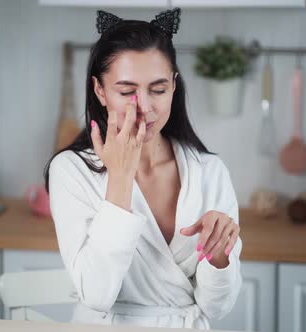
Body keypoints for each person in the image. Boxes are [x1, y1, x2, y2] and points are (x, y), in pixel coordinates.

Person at [44, 7, 242, 329]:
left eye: (158, 89)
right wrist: (120, 179)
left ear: (174, 86)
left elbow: (217, 308)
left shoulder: (210, 172)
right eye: (126, 91)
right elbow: (96, 294)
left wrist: (219, 257)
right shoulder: (71, 170)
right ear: (100, 91)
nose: (145, 107)